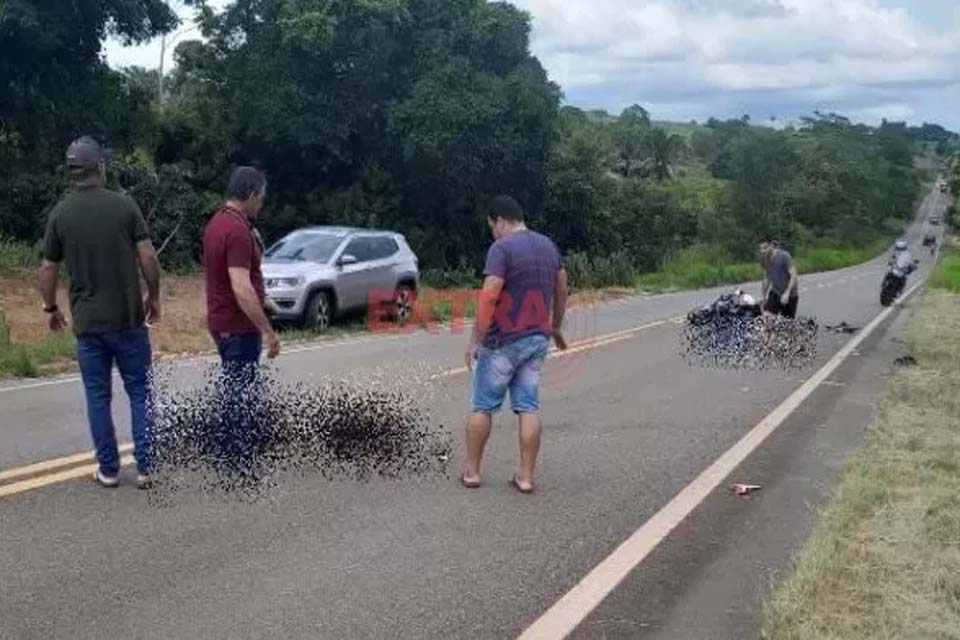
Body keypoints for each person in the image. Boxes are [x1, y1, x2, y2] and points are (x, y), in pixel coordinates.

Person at [38, 136, 162, 489]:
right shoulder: (124, 206)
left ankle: (108, 470)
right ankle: (146, 467)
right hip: (128, 321)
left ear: (73, 172)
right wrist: (154, 297)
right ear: (101, 167)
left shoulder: (61, 214)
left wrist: (51, 308)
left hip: (88, 326)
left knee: (98, 396)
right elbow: (149, 258)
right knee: (139, 391)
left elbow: (47, 269)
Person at [461, 195, 568, 494]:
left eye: (492, 227)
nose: (492, 233)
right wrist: (555, 326)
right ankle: (525, 477)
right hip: (536, 340)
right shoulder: (549, 246)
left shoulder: (502, 248)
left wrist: (475, 340)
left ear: (500, 220)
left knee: (482, 405)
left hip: (501, 342)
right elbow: (561, 287)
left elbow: (490, 294)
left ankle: (472, 471)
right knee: (528, 407)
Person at [202, 166, 280, 369]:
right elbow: (241, 287)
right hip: (238, 328)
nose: (261, 205)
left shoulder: (216, 223)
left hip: (222, 323)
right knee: (240, 396)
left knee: (236, 393)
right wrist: (267, 330)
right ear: (252, 195)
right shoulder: (237, 231)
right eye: (261, 198)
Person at [760, 240, 799, 319]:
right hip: (775, 292)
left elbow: (793, 275)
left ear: (771, 246)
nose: (762, 251)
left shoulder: (784, 256)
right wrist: (763, 296)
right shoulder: (765, 259)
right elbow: (767, 278)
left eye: (765, 248)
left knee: (787, 323)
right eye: (761, 249)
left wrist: (787, 293)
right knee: (767, 317)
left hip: (790, 295)